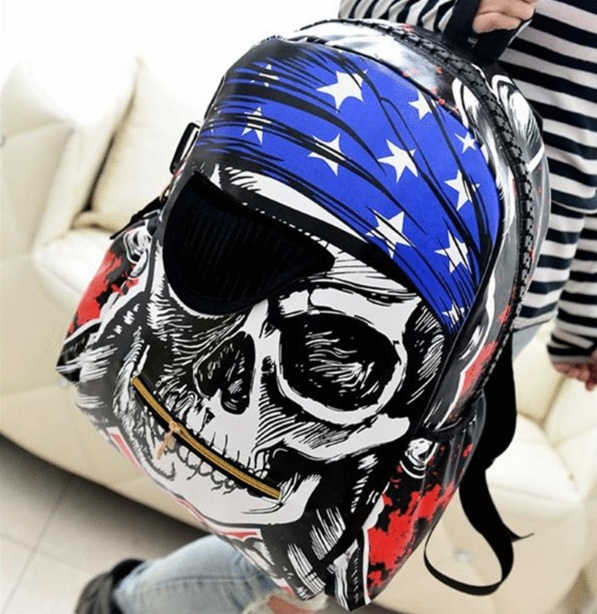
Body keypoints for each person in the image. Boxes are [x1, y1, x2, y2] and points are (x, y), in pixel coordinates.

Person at [75, 1, 596, 613]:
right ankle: (131, 604)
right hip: (313, 210)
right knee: (310, 547)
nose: (231, 390)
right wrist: (455, 10)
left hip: (504, 302)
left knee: (326, 532)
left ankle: (130, 604)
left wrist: (584, 323)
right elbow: (363, 14)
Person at [339, 0, 597, 389]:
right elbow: (355, 12)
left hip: (516, 296)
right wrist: (457, 12)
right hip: (377, 237)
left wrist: (582, 329)